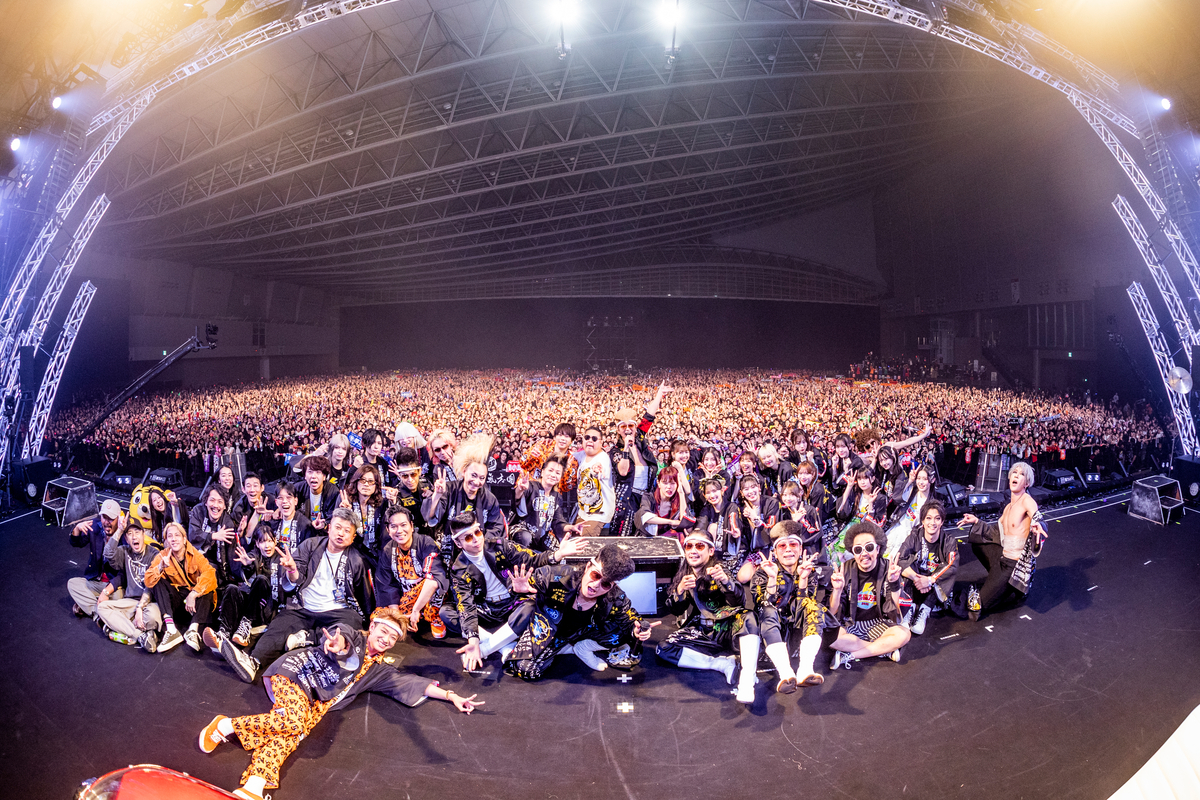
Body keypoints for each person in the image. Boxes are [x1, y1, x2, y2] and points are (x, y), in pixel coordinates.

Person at [197, 607, 483, 800]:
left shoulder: (378, 671)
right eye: (383, 632)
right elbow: (342, 639)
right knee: (293, 721)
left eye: (393, 638)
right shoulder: (353, 637)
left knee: (292, 733)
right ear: (373, 626)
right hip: (297, 675)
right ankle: (226, 725)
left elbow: (408, 683)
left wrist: (451, 696)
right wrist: (336, 645)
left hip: (316, 703)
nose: (386, 640)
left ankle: (254, 786)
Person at [214, 508, 373, 682]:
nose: (341, 533)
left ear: (353, 537)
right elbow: (295, 578)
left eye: (347, 531)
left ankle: (309, 637)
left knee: (351, 624)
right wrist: (292, 570)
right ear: (329, 528)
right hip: (303, 607)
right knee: (279, 626)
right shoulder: (310, 545)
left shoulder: (357, 560)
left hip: (337, 611)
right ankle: (253, 662)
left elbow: (364, 595)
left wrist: (371, 620)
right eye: (338, 527)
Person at [446, 510, 581, 670]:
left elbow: (532, 559)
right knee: (447, 612)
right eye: (468, 537)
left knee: (530, 606)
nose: (476, 539)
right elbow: (466, 605)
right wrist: (473, 640)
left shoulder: (499, 545)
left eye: (477, 532)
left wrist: (558, 554)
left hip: (512, 602)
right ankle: (503, 646)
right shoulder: (458, 569)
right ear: (458, 543)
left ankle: (487, 648)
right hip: (486, 609)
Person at [504, 543, 659, 680]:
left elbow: (630, 618)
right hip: (547, 629)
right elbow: (517, 582)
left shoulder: (615, 597)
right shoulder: (557, 576)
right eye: (595, 575)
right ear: (588, 566)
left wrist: (637, 630)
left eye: (605, 584)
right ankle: (565, 649)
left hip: (582, 632)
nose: (596, 585)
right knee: (528, 670)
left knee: (623, 634)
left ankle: (581, 648)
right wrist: (517, 588)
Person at [735, 522, 827, 703]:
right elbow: (763, 606)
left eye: (793, 545)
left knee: (814, 606)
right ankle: (785, 673)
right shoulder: (763, 572)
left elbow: (806, 606)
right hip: (772, 633)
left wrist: (803, 580)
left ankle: (805, 669)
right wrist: (772, 578)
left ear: (800, 549)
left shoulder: (809, 571)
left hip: (797, 633)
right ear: (775, 552)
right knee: (768, 611)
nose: (788, 549)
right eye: (782, 546)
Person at [959, 461, 1048, 621]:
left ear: (1027, 483)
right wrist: (977, 521)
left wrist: (1038, 526)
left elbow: (1037, 516)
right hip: (1003, 559)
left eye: (1021, 474)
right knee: (978, 543)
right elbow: (995, 532)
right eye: (1014, 473)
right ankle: (999, 582)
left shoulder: (1026, 500)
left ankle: (1014, 586)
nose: (1016, 476)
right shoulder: (1007, 508)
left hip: (1014, 566)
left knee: (978, 607)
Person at [655, 530, 744, 684]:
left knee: (748, 619)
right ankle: (720, 664)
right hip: (702, 632)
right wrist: (679, 591)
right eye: (689, 546)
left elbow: (739, 602)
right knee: (663, 648)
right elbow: (676, 610)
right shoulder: (684, 573)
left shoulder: (719, 570)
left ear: (711, 551)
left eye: (700, 546)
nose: (693, 550)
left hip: (725, 629)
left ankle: (745, 673)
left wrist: (726, 581)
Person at [827, 521, 911, 670]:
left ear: (878, 548)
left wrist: (894, 584)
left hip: (879, 623)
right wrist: (837, 590)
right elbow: (833, 613)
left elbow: (896, 613)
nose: (864, 553)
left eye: (869, 547)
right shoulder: (844, 570)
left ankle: (850, 655)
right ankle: (883, 650)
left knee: (904, 634)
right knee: (827, 636)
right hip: (851, 624)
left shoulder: (889, 568)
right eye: (858, 549)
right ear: (853, 552)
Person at [204, 523, 290, 649]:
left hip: (267, 608)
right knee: (232, 588)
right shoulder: (254, 554)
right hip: (251, 605)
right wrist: (247, 565)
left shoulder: (282, 557)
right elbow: (248, 563)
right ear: (257, 544)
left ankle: (246, 624)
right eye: (262, 542)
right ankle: (224, 632)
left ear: (275, 541)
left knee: (261, 580)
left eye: (270, 541)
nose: (267, 545)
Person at [423, 433, 506, 563]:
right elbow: (430, 517)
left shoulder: (489, 499)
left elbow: (496, 527)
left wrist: (479, 543)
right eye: (473, 475)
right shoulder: (449, 490)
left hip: (478, 553)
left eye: (482, 478)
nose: (476, 482)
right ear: (464, 472)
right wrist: (437, 495)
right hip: (449, 551)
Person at [374, 506, 448, 639]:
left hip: (428, 594)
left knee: (433, 581)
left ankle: (433, 616)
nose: (399, 531)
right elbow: (386, 584)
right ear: (388, 530)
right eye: (394, 526)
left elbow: (433, 580)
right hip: (407, 596)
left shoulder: (426, 543)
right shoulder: (388, 550)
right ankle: (406, 617)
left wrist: (416, 610)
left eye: (403, 525)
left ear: (412, 526)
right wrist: (396, 615)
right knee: (377, 616)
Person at [144, 521, 219, 653]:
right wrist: (160, 567)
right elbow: (148, 581)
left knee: (208, 587)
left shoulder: (195, 555)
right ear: (166, 541)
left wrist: (194, 594)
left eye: (177, 535)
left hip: (195, 606)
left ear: (184, 539)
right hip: (178, 604)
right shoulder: (162, 555)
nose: (173, 539)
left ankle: (193, 631)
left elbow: (210, 574)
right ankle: (171, 630)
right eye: (170, 536)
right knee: (157, 580)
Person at [98, 520, 163, 652]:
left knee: (153, 617)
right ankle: (141, 635)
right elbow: (108, 553)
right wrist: (119, 531)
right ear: (126, 539)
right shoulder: (125, 551)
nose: (134, 537)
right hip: (130, 602)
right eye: (129, 533)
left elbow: (151, 585)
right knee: (102, 608)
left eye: (137, 532)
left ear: (143, 534)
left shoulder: (154, 554)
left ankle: (123, 627)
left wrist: (140, 608)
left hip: (149, 604)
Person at [896, 500, 958, 635]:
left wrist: (929, 580)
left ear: (942, 522)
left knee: (945, 571)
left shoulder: (949, 541)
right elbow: (900, 559)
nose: (932, 522)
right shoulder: (914, 536)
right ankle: (909, 609)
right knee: (906, 566)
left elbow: (952, 565)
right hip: (916, 583)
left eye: (937, 518)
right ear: (923, 521)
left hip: (932, 585)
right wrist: (917, 578)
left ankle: (925, 609)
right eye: (928, 518)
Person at [68, 498, 124, 621]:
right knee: (72, 584)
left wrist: (106, 592)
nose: (107, 522)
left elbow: (124, 573)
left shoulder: (124, 535)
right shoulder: (95, 527)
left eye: (111, 519)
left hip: (113, 586)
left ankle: (88, 603)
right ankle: (98, 613)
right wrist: (77, 528)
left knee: (120, 597)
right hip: (95, 581)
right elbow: (76, 543)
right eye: (104, 517)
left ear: (118, 519)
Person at [511, 455, 577, 550]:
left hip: (541, 536)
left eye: (558, 473)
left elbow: (558, 522)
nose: (553, 475)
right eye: (550, 470)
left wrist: (571, 527)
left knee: (557, 548)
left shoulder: (557, 496)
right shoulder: (531, 487)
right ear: (542, 472)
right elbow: (516, 498)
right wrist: (520, 489)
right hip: (521, 530)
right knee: (525, 538)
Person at [187, 484, 238, 585]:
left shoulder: (227, 524)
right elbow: (193, 535)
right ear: (206, 502)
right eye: (212, 500)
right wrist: (213, 536)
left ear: (225, 506)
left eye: (220, 502)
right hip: (194, 561)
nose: (216, 505)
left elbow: (230, 556)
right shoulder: (198, 511)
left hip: (216, 568)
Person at [575, 423, 616, 536]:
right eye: (587, 437)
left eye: (594, 439)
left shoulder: (603, 457)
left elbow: (599, 467)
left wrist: (595, 469)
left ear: (601, 442)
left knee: (585, 542)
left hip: (598, 513)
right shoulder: (582, 455)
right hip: (584, 511)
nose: (590, 440)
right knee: (574, 539)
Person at [633, 465, 694, 539]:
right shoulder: (649, 497)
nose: (669, 487)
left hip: (668, 540)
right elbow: (644, 516)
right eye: (665, 483)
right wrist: (671, 522)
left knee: (680, 535)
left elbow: (686, 523)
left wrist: (681, 493)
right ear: (658, 483)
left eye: (672, 483)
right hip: (648, 538)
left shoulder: (679, 500)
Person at [295, 454, 339, 530]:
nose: (313, 476)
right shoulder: (298, 489)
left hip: (324, 532)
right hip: (303, 530)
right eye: (310, 472)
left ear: (324, 476)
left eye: (318, 472)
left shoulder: (333, 492)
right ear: (305, 476)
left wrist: (324, 524)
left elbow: (332, 517)